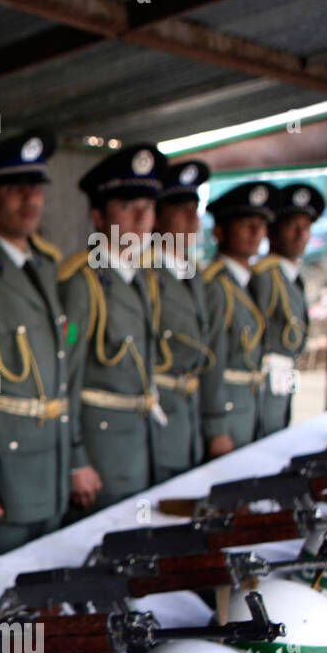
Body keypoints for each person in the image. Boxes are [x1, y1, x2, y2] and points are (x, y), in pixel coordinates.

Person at [0, 131, 85, 564]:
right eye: (14, 189)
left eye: (35, 187)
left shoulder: (46, 263)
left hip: (50, 463)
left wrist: (73, 456)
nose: (30, 199)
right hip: (5, 473)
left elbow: (60, 365)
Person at [59, 145, 167, 513]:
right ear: (97, 215)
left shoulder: (143, 279)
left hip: (140, 443)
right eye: (127, 206)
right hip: (101, 451)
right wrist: (76, 459)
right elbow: (66, 376)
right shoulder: (82, 283)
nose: (141, 217)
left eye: (148, 206)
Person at [148, 159, 216, 480]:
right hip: (157, 418)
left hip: (190, 419)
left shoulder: (194, 275)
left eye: (195, 209)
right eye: (181, 210)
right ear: (158, 216)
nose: (192, 219)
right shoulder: (143, 273)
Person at [200, 182, 276, 452]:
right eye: (245, 224)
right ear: (219, 231)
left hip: (250, 410)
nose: (256, 232)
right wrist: (217, 427)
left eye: (261, 225)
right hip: (228, 413)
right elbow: (212, 362)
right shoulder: (216, 286)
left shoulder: (251, 283)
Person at [250, 183, 324, 435]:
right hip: (260, 390)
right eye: (292, 226)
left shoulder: (292, 277)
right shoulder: (263, 277)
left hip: (282, 384)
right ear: (272, 232)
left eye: (306, 227)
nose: (300, 234)